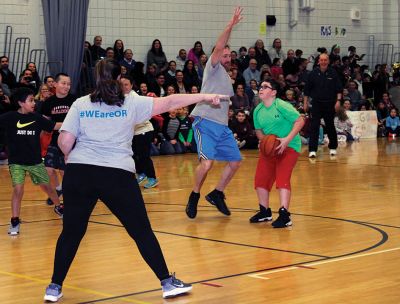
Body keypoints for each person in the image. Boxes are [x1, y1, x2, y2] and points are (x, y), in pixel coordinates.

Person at [43, 58, 226, 302]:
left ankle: (54, 287)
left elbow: (64, 142)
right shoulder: (131, 102)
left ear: (95, 79)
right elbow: (171, 101)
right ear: (119, 78)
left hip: (80, 172)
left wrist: (75, 158)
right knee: (140, 231)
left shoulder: (79, 103)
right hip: (117, 174)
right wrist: (204, 97)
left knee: (71, 233)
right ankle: (166, 282)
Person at [185, 7, 243, 219]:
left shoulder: (227, 78)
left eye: (229, 56)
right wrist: (230, 25)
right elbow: (219, 46)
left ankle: (217, 193)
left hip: (222, 127)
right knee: (207, 163)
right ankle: (194, 195)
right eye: (224, 55)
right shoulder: (213, 66)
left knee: (235, 162)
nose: (227, 58)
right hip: (205, 122)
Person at [0, 87, 62, 235]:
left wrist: (75, 122)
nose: (34, 103)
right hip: (16, 162)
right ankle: (15, 221)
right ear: (21, 103)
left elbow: (54, 126)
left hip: (34, 161)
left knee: (47, 187)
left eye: (34, 100)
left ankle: (58, 206)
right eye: (30, 100)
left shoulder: (37, 117)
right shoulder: (9, 117)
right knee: (18, 189)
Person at [249, 80, 304, 228]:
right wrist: (264, 142)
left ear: (273, 92)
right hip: (272, 148)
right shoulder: (257, 111)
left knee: (282, 179)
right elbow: (259, 131)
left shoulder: (281, 105)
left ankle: (285, 215)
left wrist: (286, 140)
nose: (261, 89)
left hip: (289, 146)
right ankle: (265, 211)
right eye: (260, 87)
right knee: (260, 180)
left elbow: (300, 121)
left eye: (265, 87)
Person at [40, 73, 75, 207]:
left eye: (68, 84)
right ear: (55, 84)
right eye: (63, 83)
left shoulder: (74, 101)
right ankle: (59, 188)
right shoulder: (48, 103)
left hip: (70, 141)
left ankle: (67, 197)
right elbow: (44, 124)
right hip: (54, 141)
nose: (66, 86)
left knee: (64, 171)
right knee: (48, 169)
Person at [303, 53, 342, 158]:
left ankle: (333, 147)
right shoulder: (313, 73)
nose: (323, 62)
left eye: (325, 60)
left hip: (330, 103)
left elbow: (339, 89)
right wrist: (305, 103)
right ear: (318, 61)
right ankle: (312, 150)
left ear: (328, 61)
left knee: (330, 126)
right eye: (321, 60)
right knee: (314, 126)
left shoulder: (333, 73)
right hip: (316, 103)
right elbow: (306, 90)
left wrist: (338, 101)